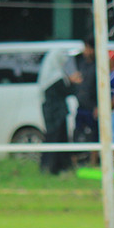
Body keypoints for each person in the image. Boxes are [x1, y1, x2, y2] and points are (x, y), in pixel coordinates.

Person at [37, 46, 76, 175]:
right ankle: (52, 167)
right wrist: (73, 82)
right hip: (56, 114)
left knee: (55, 138)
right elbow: (66, 91)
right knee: (56, 138)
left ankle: (56, 166)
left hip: (52, 113)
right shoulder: (56, 77)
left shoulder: (48, 77)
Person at [69, 35, 99, 166]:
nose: (85, 51)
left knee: (94, 135)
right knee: (77, 133)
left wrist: (98, 106)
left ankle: (93, 162)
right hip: (81, 106)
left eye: (87, 48)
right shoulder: (81, 63)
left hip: (92, 107)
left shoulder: (98, 65)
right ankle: (75, 163)